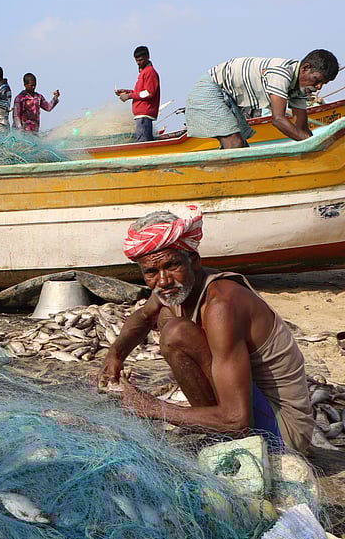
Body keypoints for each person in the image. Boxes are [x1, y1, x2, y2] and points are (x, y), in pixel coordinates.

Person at [99, 208, 313, 454]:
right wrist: (114, 356)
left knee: (177, 333)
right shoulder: (175, 288)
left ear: (194, 260)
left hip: (282, 431)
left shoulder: (221, 304)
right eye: (151, 272)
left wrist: (154, 408)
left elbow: (237, 420)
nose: (163, 281)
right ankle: (221, 436)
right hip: (249, 413)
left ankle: (229, 444)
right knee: (167, 315)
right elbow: (144, 316)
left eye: (172, 265)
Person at [185, 49, 339, 149]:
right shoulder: (282, 73)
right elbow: (278, 119)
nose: (318, 87)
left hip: (228, 97)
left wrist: (319, 147)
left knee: (242, 148)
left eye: (323, 84)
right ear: (305, 68)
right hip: (211, 89)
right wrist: (317, 145)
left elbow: (302, 129)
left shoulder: (300, 88)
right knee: (234, 143)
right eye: (317, 80)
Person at [115, 46, 160, 142]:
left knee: (143, 143)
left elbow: (149, 93)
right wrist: (126, 92)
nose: (139, 63)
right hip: (141, 115)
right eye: (137, 61)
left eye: (141, 60)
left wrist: (129, 96)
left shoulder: (150, 72)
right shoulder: (144, 72)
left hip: (144, 114)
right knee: (144, 142)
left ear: (148, 57)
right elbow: (141, 92)